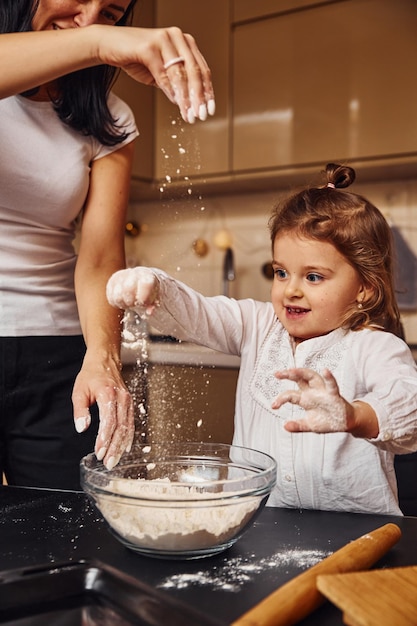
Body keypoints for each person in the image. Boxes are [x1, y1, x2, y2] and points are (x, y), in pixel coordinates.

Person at [107, 163, 417, 515]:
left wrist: (354, 415)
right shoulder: (256, 325)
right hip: (257, 522)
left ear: (364, 287)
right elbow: (199, 313)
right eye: (281, 273)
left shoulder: (375, 346)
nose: (291, 290)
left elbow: (411, 406)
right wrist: (154, 286)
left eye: (314, 277)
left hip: (356, 533)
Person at [0, 0, 215, 489]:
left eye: (113, 12)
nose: (90, 16)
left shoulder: (109, 120)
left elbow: (98, 259)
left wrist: (101, 355)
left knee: (64, 537)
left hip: (56, 359)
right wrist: (102, 42)